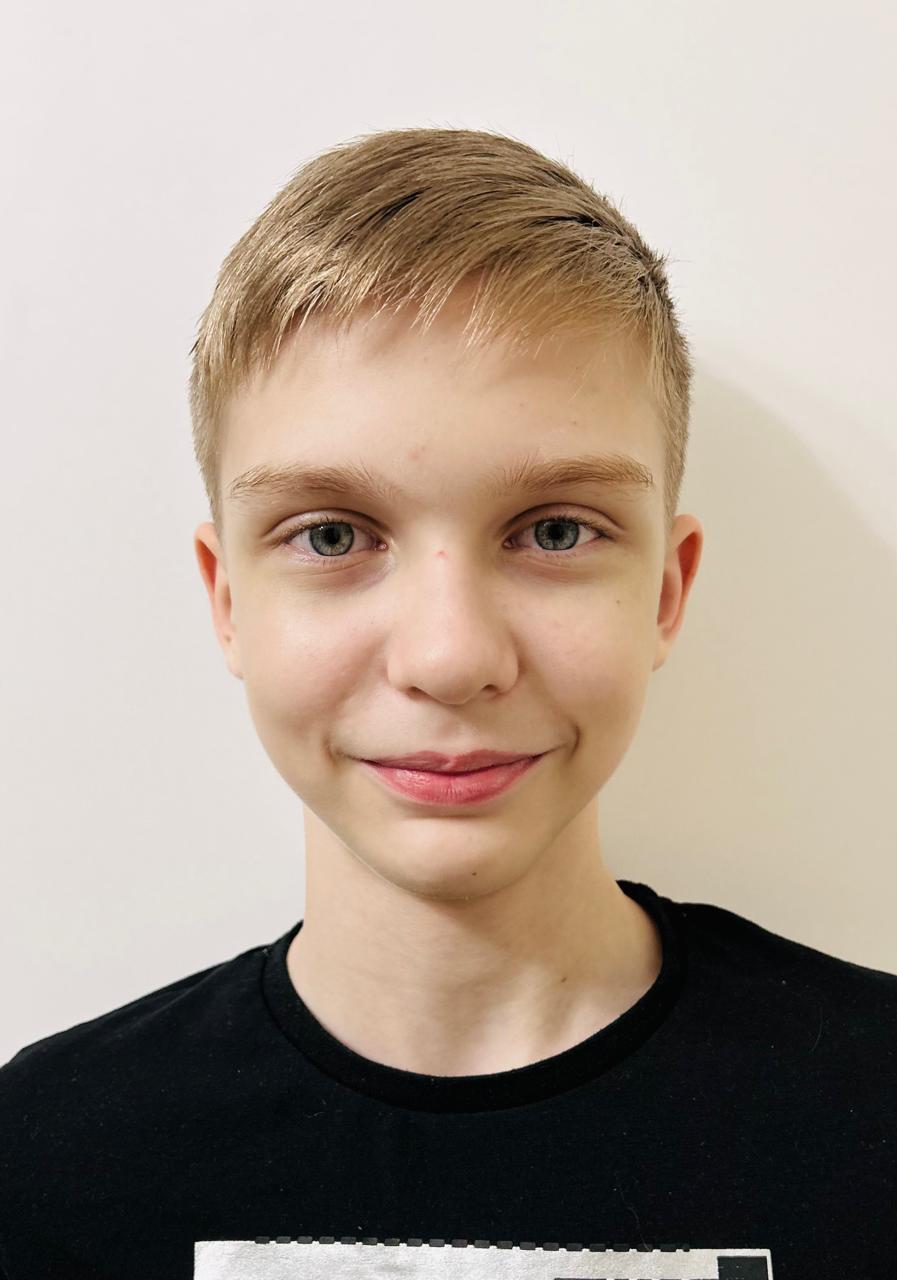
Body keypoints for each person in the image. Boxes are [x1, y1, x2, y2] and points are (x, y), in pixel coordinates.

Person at [0, 127, 893, 1280]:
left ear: (666, 592)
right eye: (332, 535)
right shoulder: (44, 1165)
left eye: (555, 530)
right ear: (227, 600)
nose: (450, 655)